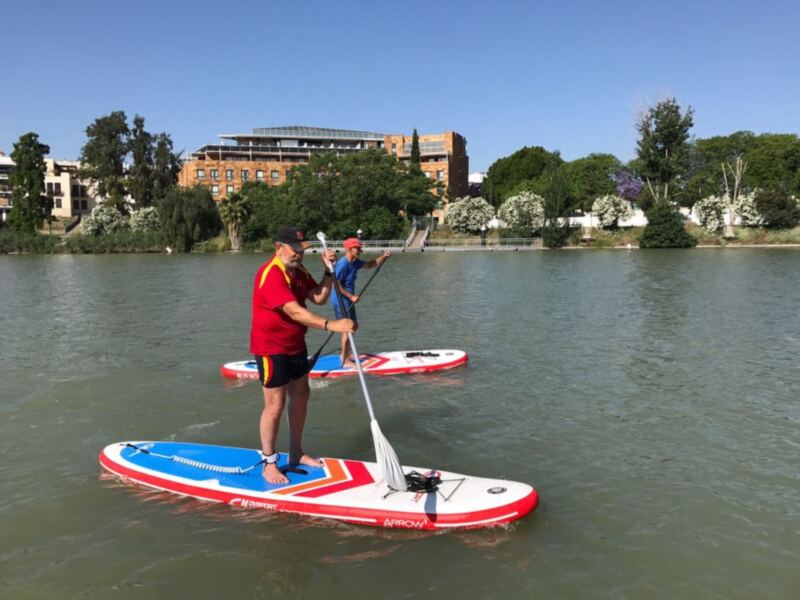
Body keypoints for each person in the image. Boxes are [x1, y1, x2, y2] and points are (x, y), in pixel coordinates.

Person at [251, 226, 355, 485]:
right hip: (271, 348)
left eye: (302, 250)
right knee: (275, 404)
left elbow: (319, 297)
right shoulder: (270, 274)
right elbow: (295, 312)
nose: (299, 254)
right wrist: (332, 325)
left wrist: (328, 273)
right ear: (278, 247)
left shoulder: (299, 272)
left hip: (296, 344)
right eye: (295, 249)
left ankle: (296, 452)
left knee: (301, 397)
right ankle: (269, 463)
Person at [330, 237, 390, 366]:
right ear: (349, 249)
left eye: (359, 248)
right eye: (357, 248)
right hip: (341, 301)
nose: (360, 250)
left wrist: (383, 257)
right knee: (348, 329)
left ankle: (346, 353)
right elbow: (335, 284)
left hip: (348, 300)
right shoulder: (343, 264)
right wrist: (351, 296)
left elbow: (369, 264)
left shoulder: (355, 262)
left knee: (354, 326)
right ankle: (344, 360)